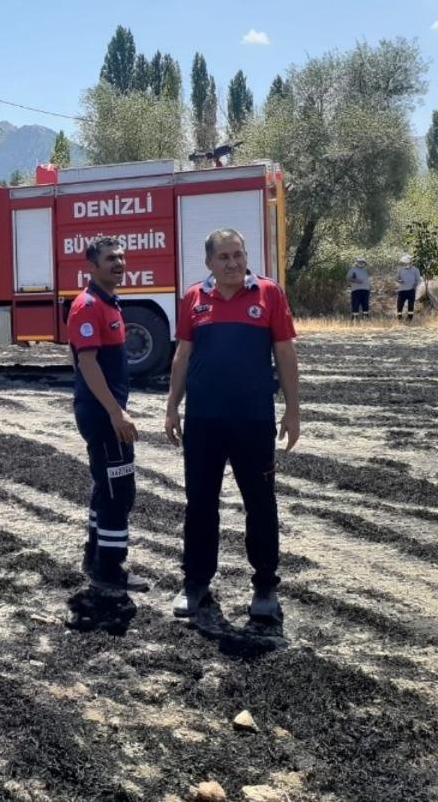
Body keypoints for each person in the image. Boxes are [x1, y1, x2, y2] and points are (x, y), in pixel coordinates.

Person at [164, 229, 300, 622]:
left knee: (260, 505)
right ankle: (196, 584)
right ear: (209, 263)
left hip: (254, 421)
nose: (233, 263)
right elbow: (182, 355)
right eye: (223, 257)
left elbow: (285, 353)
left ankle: (264, 587)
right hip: (204, 422)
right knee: (200, 505)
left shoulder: (269, 294)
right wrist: (172, 406)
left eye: (238, 255)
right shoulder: (193, 298)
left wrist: (293, 410)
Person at [66, 237, 148, 597]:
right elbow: (87, 363)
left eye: (122, 257)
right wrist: (116, 413)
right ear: (92, 266)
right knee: (119, 492)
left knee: (106, 486)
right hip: (102, 415)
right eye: (111, 258)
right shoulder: (88, 305)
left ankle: (95, 557)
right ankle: (110, 571)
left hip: (104, 411)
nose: (120, 263)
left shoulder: (108, 302)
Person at [395, 255, 422, 322]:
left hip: (411, 290)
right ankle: (399, 318)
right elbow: (396, 278)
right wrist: (399, 281)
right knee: (400, 305)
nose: (407, 264)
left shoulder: (416, 270)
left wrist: (414, 286)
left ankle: (409, 319)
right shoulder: (400, 269)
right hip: (402, 290)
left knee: (411, 305)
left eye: (409, 262)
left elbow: (418, 280)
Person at [346, 256, 371, 321]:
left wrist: (368, 265)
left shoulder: (366, 269)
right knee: (355, 304)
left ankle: (365, 318)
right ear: (357, 262)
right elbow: (348, 278)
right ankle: (354, 319)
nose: (361, 263)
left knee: (365, 304)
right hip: (356, 290)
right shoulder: (352, 269)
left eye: (362, 261)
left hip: (366, 290)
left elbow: (371, 273)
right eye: (359, 261)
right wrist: (356, 280)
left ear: (364, 262)